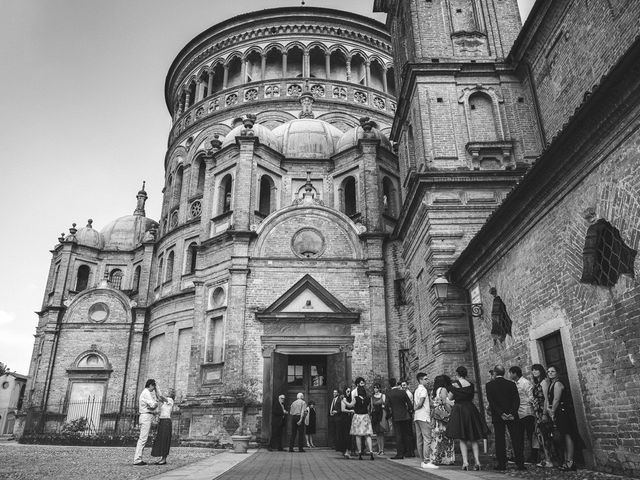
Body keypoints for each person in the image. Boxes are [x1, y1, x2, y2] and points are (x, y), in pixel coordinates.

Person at [446, 366, 488, 471]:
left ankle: (465, 463)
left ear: (457, 374)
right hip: (470, 409)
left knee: (462, 438)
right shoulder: (471, 385)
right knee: (473, 438)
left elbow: (450, 397)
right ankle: (477, 462)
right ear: (465, 374)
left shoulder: (454, 384)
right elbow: (471, 397)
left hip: (459, 410)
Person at [486, 365, 524, 471]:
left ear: (494, 373)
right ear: (503, 373)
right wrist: (512, 413)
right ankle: (520, 464)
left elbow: (491, 402)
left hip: (498, 416)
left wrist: (501, 413)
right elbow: (516, 400)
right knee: (516, 438)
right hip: (512, 416)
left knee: (500, 439)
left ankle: (502, 464)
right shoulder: (511, 384)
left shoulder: (489, 385)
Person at [547, 366, 584, 471]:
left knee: (567, 435)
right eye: (548, 371)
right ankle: (565, 460)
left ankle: (570, 461)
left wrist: (552, 412)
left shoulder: (558, 384)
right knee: (563, 436)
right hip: (558, 412)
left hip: (562, 412)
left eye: (553, 371)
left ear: (557, 373)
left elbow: (556, 399)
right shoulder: (551, 384)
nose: (550, 373)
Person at [509, 366, 536, 463]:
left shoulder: (525, 382)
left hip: (527, 412)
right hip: (518, 413)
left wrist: (527, 404)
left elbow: (531, 396)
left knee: (530, 435)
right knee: (519, 436)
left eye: (510, 373)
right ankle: (520, 457)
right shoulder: (513, 384)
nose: (509, 375)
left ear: (515, 373)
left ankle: (534, 456)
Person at [530, 364, 555, 467]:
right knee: (540, 436)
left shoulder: (544, 382)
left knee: (545, 435)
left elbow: (546, 399)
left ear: (540, 370)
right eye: (533, 370)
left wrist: (544, 413)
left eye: (536, 370)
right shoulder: (537, 383)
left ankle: (550, 460)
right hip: (537, 412)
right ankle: (544, 458)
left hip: (543, 411)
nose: (534, 372)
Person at [429, 375, 455, 465]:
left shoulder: (433, 391)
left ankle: (436, 457)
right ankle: (446, 458)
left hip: (436, 416)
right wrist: (451, 412)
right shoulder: (443, 389)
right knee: (446, 436)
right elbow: (444, 402)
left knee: (437, 437)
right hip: (443, 416)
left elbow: (432, 403)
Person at [414, 372, 438, 469]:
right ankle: (426, 461)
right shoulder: (423, 390)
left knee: (419, 439)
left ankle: (422, 460)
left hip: (417, 417)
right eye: (425, 379)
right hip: (424, 416)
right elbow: (420, 403)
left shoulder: (416, 390)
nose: (427, 381)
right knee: (427, 439)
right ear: (420, 380)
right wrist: (416, 407)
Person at [387, 378, 414, 460]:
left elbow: (387, 406)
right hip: (405, 415)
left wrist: (389, 415)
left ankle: (400, 453)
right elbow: (409, 404)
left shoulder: (389, 393)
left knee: (398, 435)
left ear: (389, 384)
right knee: (406, 434)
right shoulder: (402, 392)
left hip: (396, 416)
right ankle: (409, 452)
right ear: (396, 384)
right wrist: (409, 411)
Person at [133, 379, 159, 466]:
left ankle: (138, 458)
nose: (154, 388)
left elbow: (151, 406)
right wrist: (156, 402)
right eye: (154, 386)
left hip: (146, 415)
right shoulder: (146, 393)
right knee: (143, 439)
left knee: (143, 438)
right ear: (151, 385)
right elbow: (153, 405)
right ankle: (137, 459)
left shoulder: (145, 392)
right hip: (146, 416)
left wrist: (153, 405)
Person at [349, 377, 375, 460]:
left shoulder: (356, 398)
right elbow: (371, 407)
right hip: (365, 416)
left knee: (358, 436)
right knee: (368, 435)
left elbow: (350, 405)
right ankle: (371, 452)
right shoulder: (368, 398)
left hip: (357, 416)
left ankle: (359, 453)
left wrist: (344, 400)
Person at [151, 388, 175, 465]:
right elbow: (158, 397)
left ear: (171, 394)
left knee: (165, 439)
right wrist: (154, 390)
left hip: (166, 422)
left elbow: (161, 396)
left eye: (167, 391)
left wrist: (157, 387)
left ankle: (164, 459)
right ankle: (162, 458)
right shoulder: (165, 402)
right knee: (161, 439)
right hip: (162, 421)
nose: (166, 392)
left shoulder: (170, 400)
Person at [370, 383, 388, 455]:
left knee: (381, 432)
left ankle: (382, 449)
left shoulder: (382, 395)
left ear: (379, 388)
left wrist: (380, 403)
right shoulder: (372, 397)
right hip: (375, 415)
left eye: (377, 388)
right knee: (377, 433)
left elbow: (384, 404)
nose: (375, 389)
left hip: (381, 414)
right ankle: (379, 449)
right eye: (374, 388)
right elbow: (372, 407)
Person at [337, 386, 355, 458]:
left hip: (347, 418)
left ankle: (346, 451)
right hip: (344, 419)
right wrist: (350, 411)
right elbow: (343, 409)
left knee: (347, 435)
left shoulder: (348, 398)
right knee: (346, 435)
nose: (349, 393)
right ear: (345, 391)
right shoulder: (344, 398)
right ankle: (346, 452)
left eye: (350, 391)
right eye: (347, 391)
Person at [401, 379, 416, 457]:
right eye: (402, 385)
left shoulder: (408, 393)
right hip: (406, 413)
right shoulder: (404, 393)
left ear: (407, 385)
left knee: (408, 432)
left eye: (404, 385)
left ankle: (410, 450)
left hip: (408, 414)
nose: (403, 387)